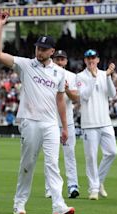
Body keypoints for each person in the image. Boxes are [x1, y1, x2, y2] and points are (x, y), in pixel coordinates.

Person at [0, 12, 75, 214]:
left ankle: (58, 205)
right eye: (38, 47)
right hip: (29, 121)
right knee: (27, 164)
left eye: (44, 49)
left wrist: (64, 127)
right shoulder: (25, 64)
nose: (40, 51)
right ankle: (19, 202)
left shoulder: (59, 72)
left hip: (50, 123)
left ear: (52, 51)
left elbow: (60, 102)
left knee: (53, 164)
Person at [76, 49, 117, 200]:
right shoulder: (80, 76)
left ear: (98, 60)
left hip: (105, 122)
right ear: (85, 60)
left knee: (112, 152)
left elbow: (112, 94)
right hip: (89, 123)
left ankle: (99, 181)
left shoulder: (104, 74)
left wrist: (107, 76)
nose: (91, 60)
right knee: (91, 157)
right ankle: (93, 188)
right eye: (88, 58)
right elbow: (85, 96)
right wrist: (94, 78)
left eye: (93, 58)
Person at [45, 50, 80, 199]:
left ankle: (73, 186)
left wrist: (66, 89)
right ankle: (50, 188)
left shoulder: (72, 76)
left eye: (62, 59)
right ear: (53, 60)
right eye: (57, 59)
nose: (60, 62)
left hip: (68, 122)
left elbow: (76, 98)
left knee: (69, 154)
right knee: (51, 157)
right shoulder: (46, 73)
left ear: (66, 61)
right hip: (50, 121)